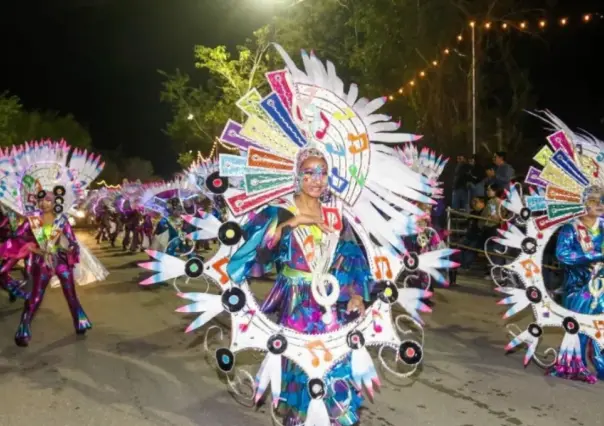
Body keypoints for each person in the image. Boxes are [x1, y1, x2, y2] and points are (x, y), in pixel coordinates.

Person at [227, 149, 371, 425]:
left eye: (323, 172)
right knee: (303, 374)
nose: (317, 179)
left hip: (330, 304)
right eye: (310, 173)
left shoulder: (334, 213)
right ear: (298, 175)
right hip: (296, 305)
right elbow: (260, 251)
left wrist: (355, 294)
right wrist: (293, 223)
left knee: (336, 371)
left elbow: (349, 256)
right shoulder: (280, 210)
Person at [0, 140, 108, 347]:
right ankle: (23, 328)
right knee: (36, 298)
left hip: (61, 262)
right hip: (42, 264)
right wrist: (31, 247)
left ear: (54, 201)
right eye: (41, 199)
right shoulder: (32, 221)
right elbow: (19, 239)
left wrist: (70, 248)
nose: (44, 203)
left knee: (70, 294)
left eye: (48, 200)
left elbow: (73, 242)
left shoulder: (62, 220)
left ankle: (80, 321)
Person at [548, 186, 604, 383]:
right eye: (595, 201)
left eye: (602, 200)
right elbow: (562, 255)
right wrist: (596, 255)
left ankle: (602, 365)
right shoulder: (571, 228)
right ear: (584, 203)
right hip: (578, 287)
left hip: (602, 285)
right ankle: (574, 364)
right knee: (580, 327)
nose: (600, 205)